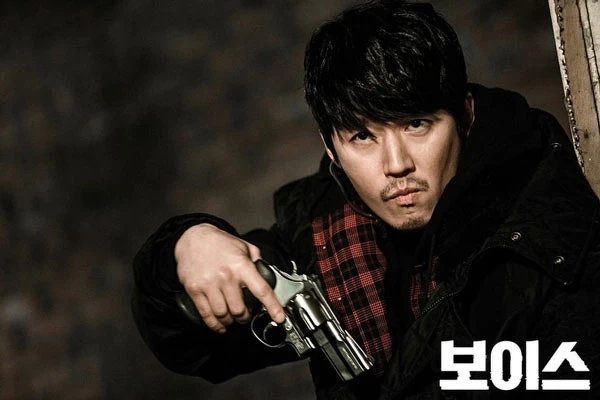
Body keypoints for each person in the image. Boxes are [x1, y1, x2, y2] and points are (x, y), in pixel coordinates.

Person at [132, 1, 600, 399]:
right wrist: (184, 246)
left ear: (464, 114)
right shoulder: (322, 236)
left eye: (416, 124)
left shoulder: (549, 235)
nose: (396, 165)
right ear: (330, 147)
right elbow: (186, 347)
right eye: (362, 136)